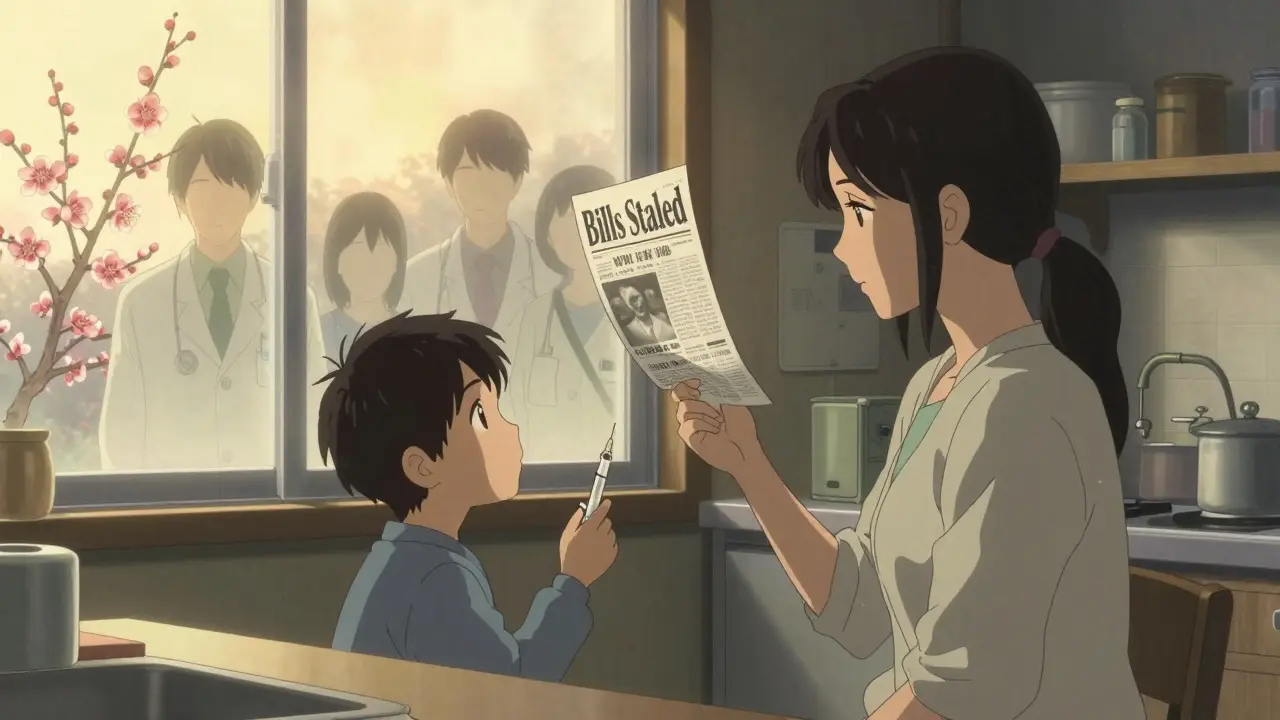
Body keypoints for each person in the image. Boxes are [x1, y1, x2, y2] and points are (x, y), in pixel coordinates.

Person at [671, 47, 1143, 720]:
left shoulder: (1026, 405)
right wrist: (747, 463)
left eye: (858, 211)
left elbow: (961, 691)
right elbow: (859, 604)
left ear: (948, 215)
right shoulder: (937, 385)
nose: (840, 245)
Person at [320, 312, 619, 681]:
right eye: (480, 413)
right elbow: (514, 692)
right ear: (423, 466)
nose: (512, 428)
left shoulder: (407, 559)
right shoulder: (436, 576)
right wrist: (574, 580)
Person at [100, 119, 326, 470]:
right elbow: (122, 432)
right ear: (180, 198)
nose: (217, 203)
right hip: (172, 510)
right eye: (202, 188)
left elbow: (315, 417)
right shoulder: (141, 302)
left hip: (269, 509)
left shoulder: (292, 296)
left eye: (230, 187)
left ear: (253, 197)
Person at [401, 110, 559, 357]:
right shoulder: (415, 278)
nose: (481, 187)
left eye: (494, 172)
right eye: (467, 173)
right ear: (448, 183)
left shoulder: (552, 276)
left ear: (517, 182)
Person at [506, 166, 624, 463]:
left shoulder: (639, 316)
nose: (579, 235)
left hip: (620, 480)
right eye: (568, 223)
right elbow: (510, 408)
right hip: (545, 480)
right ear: (548, 234)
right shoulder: (532, 318)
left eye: (591, 221)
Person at [319, 191, 407, 362]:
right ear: (336, 261)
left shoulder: (418, 336)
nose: (369, 263)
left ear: (397, 262)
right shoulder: (316, 335)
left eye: (380, 249)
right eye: (357, 249)